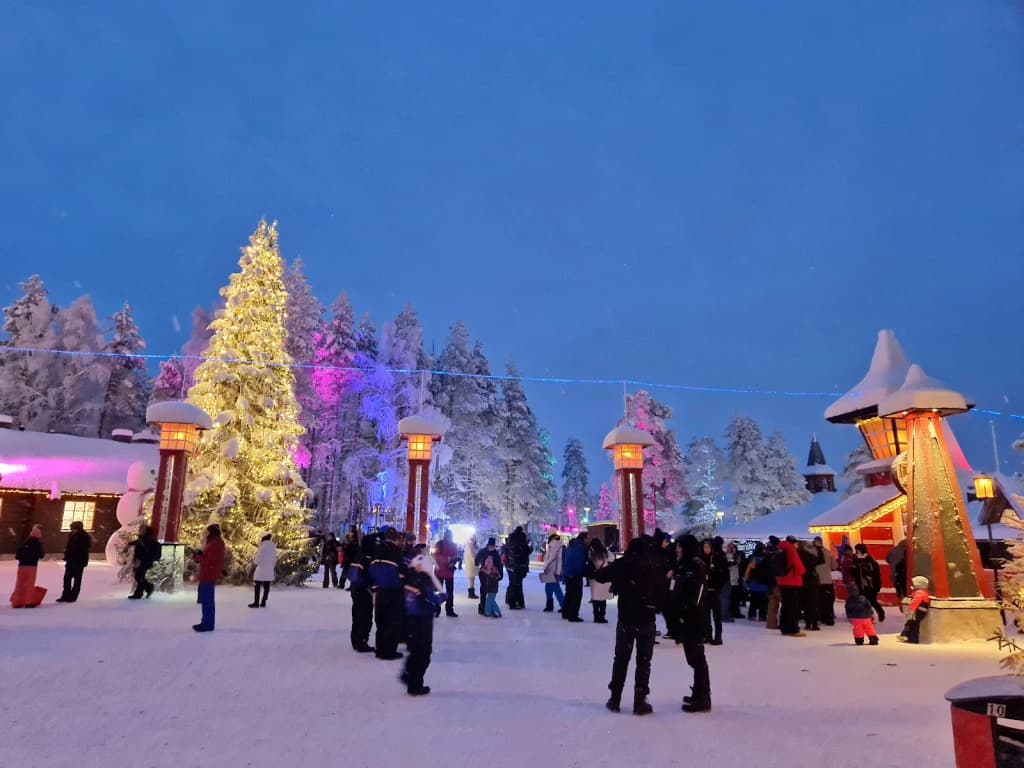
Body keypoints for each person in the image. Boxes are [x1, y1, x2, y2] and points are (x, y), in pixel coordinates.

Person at [593, 537, 660, 716]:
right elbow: (663, 589)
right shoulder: (653, 564)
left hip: (627, 619)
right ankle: (640, 702)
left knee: (621, 660)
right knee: (644, 662)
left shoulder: (624, 564)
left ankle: (615, 698)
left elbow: (600, 576)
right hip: (647, 619)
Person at [674, 535, 711, 713]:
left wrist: (686, 609)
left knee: (697, 658)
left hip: (694, 618)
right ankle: (698, 692)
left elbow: (696, 594)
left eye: (679, 546)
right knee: (693, 657)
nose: (677, 549)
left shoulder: (695, 565)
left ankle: (703, 696)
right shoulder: (684, 564)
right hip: (687, 616)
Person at [402, 553, 443, 695]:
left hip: (410, 617)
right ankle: (415, 683)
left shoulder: (407, 576)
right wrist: (438, 600)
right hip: (423, 618)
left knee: (414, 650)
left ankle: (409, 676)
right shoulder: (424, 579)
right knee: (423, 652)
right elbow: (436, 598)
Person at [370, 528, 407, 660]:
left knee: (381, 620)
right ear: (396, 538)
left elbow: (372, 570)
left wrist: (374, 588)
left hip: (380, 589)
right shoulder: (395, 551)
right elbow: (401, 570)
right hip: (394, 590)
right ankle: (389, 650)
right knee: (393, 621)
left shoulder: (377, 549)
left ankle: (379, 649)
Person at [193, 524, 225, 632]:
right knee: (206, 601)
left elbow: (210, 561)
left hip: (208, 574)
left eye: (207, 532)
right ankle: (206, 622)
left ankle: (207, 624)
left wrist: (198, 557)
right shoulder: (214, 542)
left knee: (207, 601)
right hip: (207, 574)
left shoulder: (215, 543)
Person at [348, 532, 376, 653]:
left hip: (355, 589)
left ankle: (356, 640)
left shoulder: (359, 555)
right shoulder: (367, 558)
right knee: (365, 617)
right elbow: (369, 576)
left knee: (357, 615)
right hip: (364, 591)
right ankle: (361, 641)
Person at [777, 535, 807, 637]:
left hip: (782, 581)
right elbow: (799, 567)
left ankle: (784, 627)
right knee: (793, 607)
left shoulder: (781, 549)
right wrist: (803, 571)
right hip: (792, 581)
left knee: (785, 606)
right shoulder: (791, 550)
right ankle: (793, 629)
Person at [10, 525, 46, 608]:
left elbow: (17, 556)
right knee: (29, 584)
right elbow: (41, 555)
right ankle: (28, 601)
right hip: (32, 567)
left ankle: (17, 601)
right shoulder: (37, 544)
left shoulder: (25, 543)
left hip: (22, 566)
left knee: (19, 583)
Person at [57, 520, 92, 603]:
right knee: (67, 578)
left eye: (74, 529)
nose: (73, 530)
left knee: (77, 579)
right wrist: (67, 555)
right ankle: (66, 595)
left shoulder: (84, 537)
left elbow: (82, 550)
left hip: (79, 561)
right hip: (71, 561)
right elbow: (69, 547)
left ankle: (73, 596)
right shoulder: (72, 536)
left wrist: (72, 553)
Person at [850, 543, 885, 622]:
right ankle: (868, 617)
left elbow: (876, 574)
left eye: (858, 550)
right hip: (860, 585)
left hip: (871, 585)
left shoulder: (870, 561)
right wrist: (853, 569)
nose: (857, 552)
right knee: (864, 602)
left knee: (872, 601)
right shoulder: (856, 561)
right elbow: (853, 573)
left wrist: (877, 585)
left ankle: (880, 612)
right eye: (856, 550)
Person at [653, 530, 677, 638]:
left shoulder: (662, 552)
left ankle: (672, 630)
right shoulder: (666, 552)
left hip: (663, 585)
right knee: (668, 609)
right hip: (666, 585)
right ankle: (672, 630)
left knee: (667, 609)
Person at [701, 539, 725, 644]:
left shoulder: (717, 559)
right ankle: (707, 635)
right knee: (705, 616)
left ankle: (718, 636)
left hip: (714, 590)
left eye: (708, 547)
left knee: (716, 615)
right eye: (705, 547)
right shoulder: (701, 559)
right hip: (705, 591)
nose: (706, 549)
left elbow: (722, 574)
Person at [128, 525, 161, 600]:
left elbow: (145, 548)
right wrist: (130, 544)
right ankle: (145, 589)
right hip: (141, 560)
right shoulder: (142, 538)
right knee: (139, 576)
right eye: (140, 529)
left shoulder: (148, 538)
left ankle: (145, 590)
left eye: (142, 530)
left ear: (146, 531)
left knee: (139, 576)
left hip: (145, 561)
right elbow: (138, 542)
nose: (140, 531)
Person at [504, 525, 533, 610]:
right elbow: (526, 551)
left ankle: (510, 601)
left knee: (512, 584)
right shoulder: (522, 539)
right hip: (519, 566)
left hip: (510, 566)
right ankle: (518, 602)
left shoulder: (510, 539)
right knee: (518, 584)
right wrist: (530, 548)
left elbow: (508, 550)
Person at [432, 529, 459, 618]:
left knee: (448, 592)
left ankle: (446, 609)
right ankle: (439, 609)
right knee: (441, 592)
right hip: (441, 571)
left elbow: (436, 556)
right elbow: (436, 557)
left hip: (446, 572)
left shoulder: (443, 544)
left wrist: (453, 561)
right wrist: (449, 559)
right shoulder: (440, 544)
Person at [562, 531, 588, 623]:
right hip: (575, 575)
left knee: (569, 594)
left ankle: (565, 612)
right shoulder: (579, 548)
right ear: (584, 538)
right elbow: (578, 563)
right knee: (576, 596)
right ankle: (573, 615)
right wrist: (582, 572)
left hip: (568, 574)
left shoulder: (571, 546)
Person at [811, 536, 837, 626]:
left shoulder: (810, 552)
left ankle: (819, 616)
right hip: (827, 580)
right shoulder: (828, 552)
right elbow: (834, 566)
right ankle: (829, 617)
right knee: (828, 600)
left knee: (818, 600)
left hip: (816, 580)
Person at [476, 537, 504, 617]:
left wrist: (500, 575)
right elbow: (476, 560)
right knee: (484, 591)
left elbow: (499, 565)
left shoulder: (496, 554)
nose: (492, 547)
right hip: (484, 574)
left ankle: (489, 609)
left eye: (493, 546)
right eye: (491, 545)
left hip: (492, 576)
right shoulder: (483, 551)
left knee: (491, 593)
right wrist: (479, 562)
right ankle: (483, 607)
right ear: (488, 545)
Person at [845, 582, 879, 646]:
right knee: (869, 628)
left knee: (858, 629)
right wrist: (871, 614)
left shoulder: (849, 600)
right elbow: (868, 606)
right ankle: (873, 638)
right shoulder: (863, 598)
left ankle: (859, 640)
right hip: (866, 617)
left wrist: (849, 617)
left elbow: (848, 609)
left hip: (856, 618)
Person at [899, 575, 930, 644]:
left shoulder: (920, 593)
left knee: (913, 624)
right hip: (919, 610)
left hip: (918, 611)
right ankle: (909, 636)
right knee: (913, 624)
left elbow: (915, 601)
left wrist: (911, 610)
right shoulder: (922, 592)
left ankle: (911, 638)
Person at [797, 540, 820, 631]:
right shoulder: (810, 557)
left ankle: (807, 622)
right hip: (811, 582)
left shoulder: (797, 556)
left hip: (801, 582)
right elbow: (820, 560)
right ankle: (814, 623)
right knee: (813, 604)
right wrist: (818, 548)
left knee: (804, 603)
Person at [744, 542, 770, 621]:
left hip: (754, 583)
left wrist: (746, 580)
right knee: (764, 601)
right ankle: (762, 615)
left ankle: (752, 614)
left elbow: (748, 571)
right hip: (764, 584)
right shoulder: (767, 558)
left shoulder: (753, 558)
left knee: (753, 601)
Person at [588, 537, 612, 623]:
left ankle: (596, 616)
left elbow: (589, 562)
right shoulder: (605, 551)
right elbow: (612, 558)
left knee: (596, 598)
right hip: (604, 575)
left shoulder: (591, 552)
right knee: (603, 598)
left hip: (594, 577)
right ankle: (602, 616)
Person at [249, 533, 276, 608]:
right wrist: (271, 567)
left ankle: (256, 602)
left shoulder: (262, 548)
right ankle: (263, 601)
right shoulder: (273, 549)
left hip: (260, 571)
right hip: (269, 570)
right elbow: (274, 561)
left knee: (257, 586)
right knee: (267, 587)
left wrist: (254, 562)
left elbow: (257, 561)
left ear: (263, 540)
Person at [540, 532, 565, 613]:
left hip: (551, 569)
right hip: (554, 569)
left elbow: (551, 557)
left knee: (553, 588)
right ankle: (560, 605)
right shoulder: (557, 542)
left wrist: (545, 565)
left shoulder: (553, 543)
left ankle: (560, 605)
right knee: (552, 588)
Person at [764, 536, 782, 630]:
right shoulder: (779, 553)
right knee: (783, 602)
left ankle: (771, 623)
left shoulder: (766, 553)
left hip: (769, 581)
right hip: (778, 580)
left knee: (772, 603)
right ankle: (783, 622)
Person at [723, 541, 745, 620]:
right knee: (732, 597)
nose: (733, 549)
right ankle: (733, 612)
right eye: (731, 547)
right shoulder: (728, 556)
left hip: (735, 578)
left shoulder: (733, 556)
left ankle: (735, 611)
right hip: (731, 579)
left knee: (735, 597)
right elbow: (730, 565)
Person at [463, 535, 480, 600]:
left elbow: (478, 552)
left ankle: (471, 592)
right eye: (475, 538)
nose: (476, 540)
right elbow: (471, 555)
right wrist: (476, 562)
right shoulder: (469, 545)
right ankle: (471, 593)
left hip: (473, 564)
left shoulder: (474, 545)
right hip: (471, 564)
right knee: (471, 579)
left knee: (472, 579)